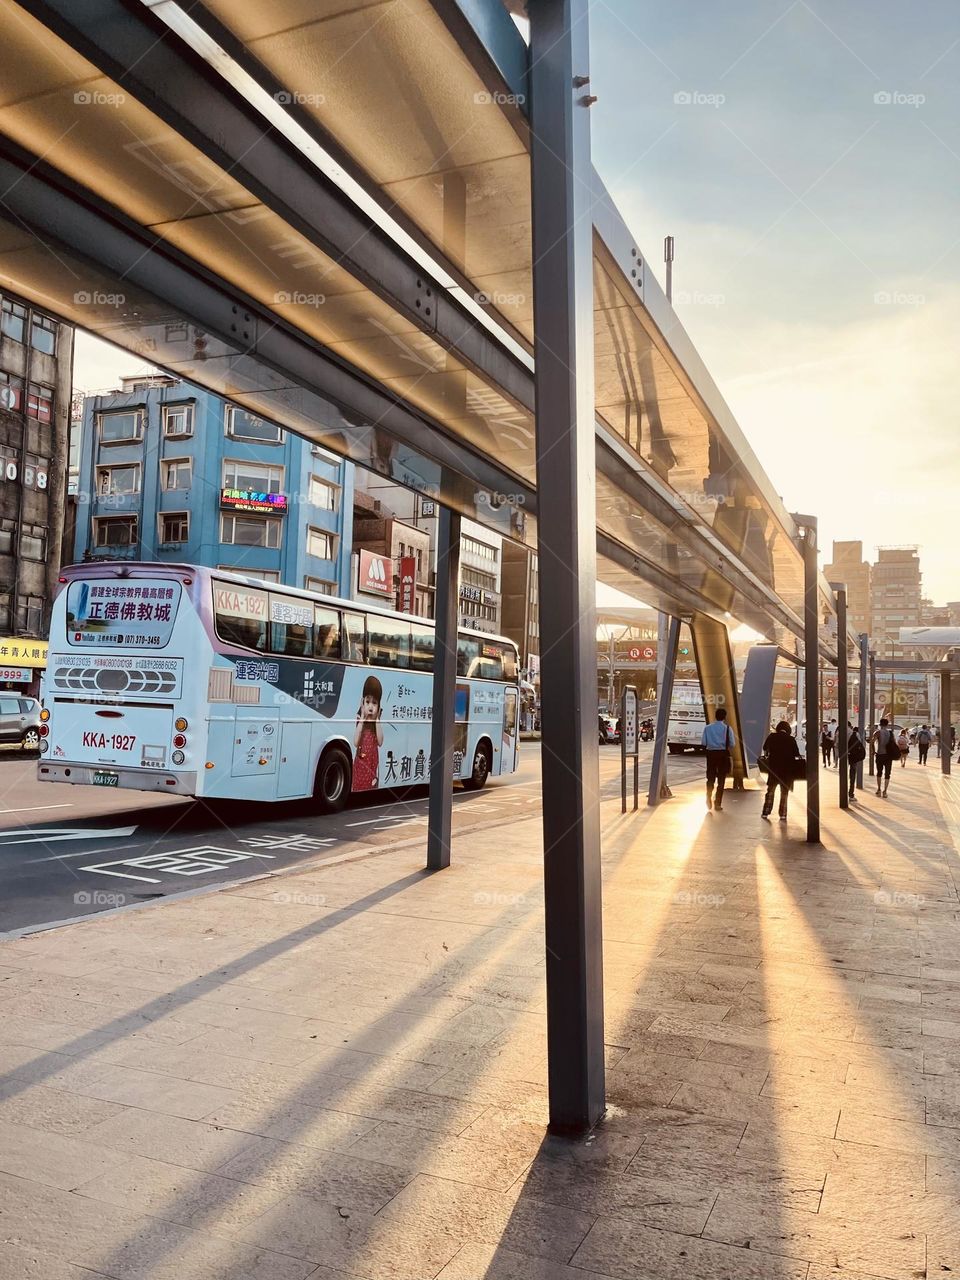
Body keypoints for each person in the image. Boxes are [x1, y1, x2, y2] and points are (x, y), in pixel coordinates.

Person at [761, 719, 803, 822]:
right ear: (788, 729)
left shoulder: (772, 737)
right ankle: (783, 814)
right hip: (787, 771)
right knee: (784, 792)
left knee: (770, 791)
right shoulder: (791, 739)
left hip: (774, 769)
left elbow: (765, 748)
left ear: (778, 728)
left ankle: (766, 812)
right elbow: (796, 753)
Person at [701, 707, 735, 812]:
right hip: (723, 755)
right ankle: (718, 803)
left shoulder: (707, 728)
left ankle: (708, 796)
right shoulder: (728, 729)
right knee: (721, 780)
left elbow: (703, 743)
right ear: (725, 717)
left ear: (715, 716)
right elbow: (732, 744)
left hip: (711, 755)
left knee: (710, 778)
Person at [353, 675, 384, 791]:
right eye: (367, 701)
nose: (370, 706)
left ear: (379, 705)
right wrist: (362, 718)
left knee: (371, 787)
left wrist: (377, 720)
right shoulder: (360, 720)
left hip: (371, 764)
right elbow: (356, 742)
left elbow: (380, 742)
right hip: (360, 764)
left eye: (374, 703)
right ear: (362, 703)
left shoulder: (376, 723)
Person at [872, 717, 899, 797]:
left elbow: (872, 742)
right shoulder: (890, 733)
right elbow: (894, 743)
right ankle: (885, 792)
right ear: (887, 725)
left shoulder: (877, 732)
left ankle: (879, 789)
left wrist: (873, 751)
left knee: (879, 773)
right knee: (887, 774)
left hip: (880, 754)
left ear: (880, 724)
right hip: (888, 756)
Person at [847, 724, 866, 800]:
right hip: (853, 757)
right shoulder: (855, 734)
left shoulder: (841, 732)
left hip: (844, 756)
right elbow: (862, 745)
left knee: (845, 774)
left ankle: (845, 793)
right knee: (852, 775)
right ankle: (851, 794)